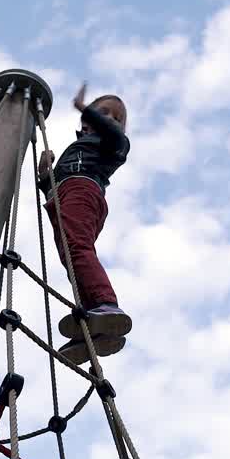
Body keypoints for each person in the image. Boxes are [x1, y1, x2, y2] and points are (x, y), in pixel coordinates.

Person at [37, 83, 132, 365]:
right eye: (105, 112)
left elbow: (112, 132)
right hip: (64, 196)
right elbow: (52, 186)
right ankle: (93, 323)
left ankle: (106, 304)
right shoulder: (78, 148)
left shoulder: (115, 144)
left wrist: (85, 108)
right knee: (71, 257)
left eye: (117, 117)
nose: (111, 119)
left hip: (82, 190)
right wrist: (45, 173)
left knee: (77, 249)